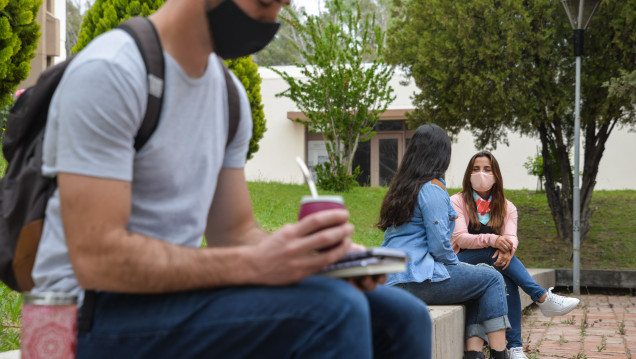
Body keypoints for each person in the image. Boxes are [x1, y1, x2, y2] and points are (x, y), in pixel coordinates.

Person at [31, 0, 433, 357]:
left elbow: (236, 234)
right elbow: (97, 258)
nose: (274, 19)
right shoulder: (112, 71)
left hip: (167, 299)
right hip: (80, 317)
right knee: (331, 312)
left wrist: (316, 260)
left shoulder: (227, 94)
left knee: (404, 316)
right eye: (264, 4)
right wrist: (256, 264)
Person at [377, 124, 511, 359]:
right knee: (490, 278)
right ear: (441, 155)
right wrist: (456, 264)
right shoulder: (432, 188)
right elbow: (439, 245)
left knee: (477, 277)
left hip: (391, 277)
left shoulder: (402, 187)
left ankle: (474, 354)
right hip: (416, 278)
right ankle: (501, 353)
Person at [451, 151, 580, 359]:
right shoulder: (457, 201)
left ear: (496, 175)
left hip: (491, 266)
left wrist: (508, 248)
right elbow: (460, 238)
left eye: (487, 169)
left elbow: (511, 237)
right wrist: (494, 240)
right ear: (468, 173)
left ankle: (515, 349)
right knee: (493, 252)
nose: (481, 174)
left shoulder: (507, 207)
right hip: (460, 264)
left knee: (506, 279)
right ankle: (541, 297)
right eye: (476, 169)